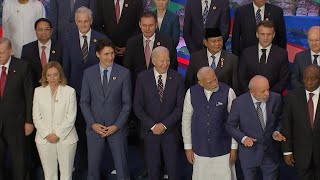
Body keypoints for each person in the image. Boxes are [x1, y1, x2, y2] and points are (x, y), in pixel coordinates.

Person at [62, 6, 106, 175]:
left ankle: (97, 167)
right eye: (79, 21)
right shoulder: (68, 38)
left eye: (86, 20)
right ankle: (81, 165)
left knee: (96, 130)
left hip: (97, 94)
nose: (83, 24)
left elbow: (105, 67)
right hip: (76, 93)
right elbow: (66, 66)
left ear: (91, 21)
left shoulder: (101, 39)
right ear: (75, 22)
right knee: (79, 128)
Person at [80, 38, 132, 180]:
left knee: (122, 169)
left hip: (117, 129)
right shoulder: (88, 74)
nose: (110, 57)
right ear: (98, 54)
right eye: (106, 54)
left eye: (112, 53)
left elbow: (127, 104)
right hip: (95, 129)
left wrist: (116, 126)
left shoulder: (124, 73)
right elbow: (84, 102)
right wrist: (93, 124)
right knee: (93, 171)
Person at [134, 46, 184, 179]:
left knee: (173, 171)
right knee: (153, 171)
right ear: (153, 61)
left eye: (167, 60)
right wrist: (153, 126)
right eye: (162, 61)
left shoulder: (178, 78)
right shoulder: (142, 78)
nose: (165, 64)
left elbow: (180, 107)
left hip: (171, 133)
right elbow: (137, 106)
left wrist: (164, 125)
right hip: (150, 134)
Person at [226, 75, 286, 180]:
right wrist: (243, 138)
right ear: (252, 91)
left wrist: (276, 132)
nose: (267, 94)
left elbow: (280, 119)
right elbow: (230, 126)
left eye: (268, 89)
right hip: (249, 154)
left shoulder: (276, 98)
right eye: (263, 91)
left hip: (270, 154)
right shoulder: (239, 103)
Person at [182, 67, 237, 179]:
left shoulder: (229, 92)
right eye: (209, 82)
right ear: (200, 83)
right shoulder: (191, 92)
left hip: (223, 148)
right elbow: (186, 120)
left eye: (215, 79)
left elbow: (235, 122)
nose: (214, 83)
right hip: (200, 148)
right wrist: (187, 146)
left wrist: (234, 147)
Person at [32, 61, 78, 180]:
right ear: (45, 76)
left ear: (60, 75)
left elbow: (71, 117)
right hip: (44, 139)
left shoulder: (70, 91)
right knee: (49, 175)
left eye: (55, 74)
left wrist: (57, 134)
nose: (52, 78)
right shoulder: (38, 91)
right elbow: (36, 116)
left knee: (66, 175)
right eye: (49, 75)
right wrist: (47, 134)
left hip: (66, 139)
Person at [0, 38, 34, 180]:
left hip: (17, 123)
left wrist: (29, 121)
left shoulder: (22, 66)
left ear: (11, 51)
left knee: (19, 161)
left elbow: (29, 95)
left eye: (1, 52)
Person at [282, 64, 320, 180]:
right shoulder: (292, 96)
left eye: (313, 79)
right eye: (305, 78)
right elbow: (287, 124)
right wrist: (287, 151)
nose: (308, 82)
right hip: (301, 154)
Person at [123, 11, 178, 89]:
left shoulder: (167, 42)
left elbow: (173, 66)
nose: (147, 29)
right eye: (144, 25)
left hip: (161, 87)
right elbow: (127, 68)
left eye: (150, 25)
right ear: (140, 25)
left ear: (156, 25)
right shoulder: (131, 43)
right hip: (137, 87)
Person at [238, 20, 289, 94]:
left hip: (272, 97)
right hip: (250, 96)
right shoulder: (246, 53)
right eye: (262, 34)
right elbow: (242, 78)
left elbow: (283, 80)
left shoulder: (282, 54)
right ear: (257, 34)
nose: (266, 38)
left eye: (269, 34)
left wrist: (268, 95)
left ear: (273, 35)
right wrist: (252, 95)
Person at [185, 28, 240, 94]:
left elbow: (235, 85)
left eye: (220, 40)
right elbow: (189, 81)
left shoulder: (232, 59)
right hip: (201, 97)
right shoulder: (196, 58)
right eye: (214, 41)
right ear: (205, 42)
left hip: (224, 98)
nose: (217, 44)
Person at [95, 0, 143, 65]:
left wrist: (128, 47)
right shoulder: (102, 2)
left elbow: (139, 26)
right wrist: (109, 45)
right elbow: (98, 25)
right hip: (107, 51)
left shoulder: (136, 2)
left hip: (129, 52)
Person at [21, 18, 63, 88]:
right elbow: (25, 73)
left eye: (46, 29)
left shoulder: (61, 47)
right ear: (35, 31)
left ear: (51, 31)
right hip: (34, 89)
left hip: (57, 88)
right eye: (40, 29)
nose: (43, 32)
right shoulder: (27, 49)